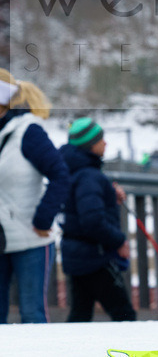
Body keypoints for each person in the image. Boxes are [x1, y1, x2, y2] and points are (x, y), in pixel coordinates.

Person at [0, 71, 69, 324]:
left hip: (31, 239)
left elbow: (60, 175)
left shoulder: (28, 132)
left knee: (32, 315)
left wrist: (43, 220)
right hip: (1, 237)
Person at [59, 117, 137, 322]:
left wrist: (109, 195)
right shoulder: (90, 176)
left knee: (80, 315)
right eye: (101, 139)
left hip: (77, 254)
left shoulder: (73, 170)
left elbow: (80, 206)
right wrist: (119, 240)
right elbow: (92, 219)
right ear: (89, 144)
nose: (106, 143)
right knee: (124, 315)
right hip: (96, 256)